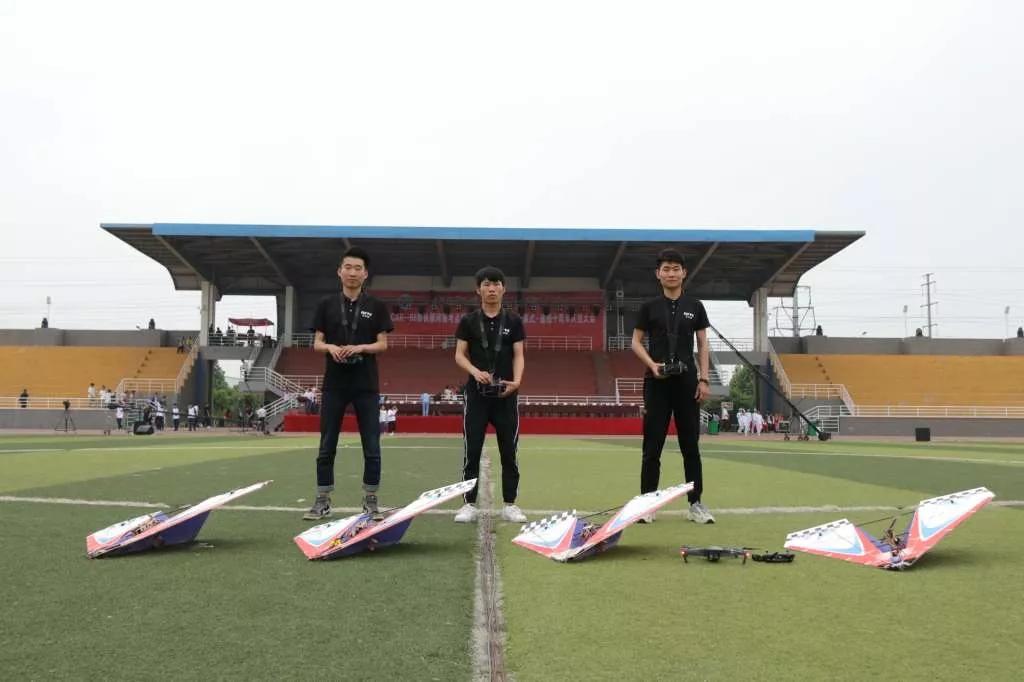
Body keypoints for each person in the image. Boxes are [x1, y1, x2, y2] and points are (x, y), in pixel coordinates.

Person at [303, 247, 394, 521]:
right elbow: (317, 343)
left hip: (366, 384)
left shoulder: (376, 306)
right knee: (327, 444)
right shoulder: (326, 305)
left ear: (365, 274)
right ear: (339, 271)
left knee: (372, 445)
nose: (352, 273)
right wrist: (331, 348)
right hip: (334, 384)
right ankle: (322, 500)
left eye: (358, 268)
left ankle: (371, 500)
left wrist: (360, 348)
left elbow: (383, 344)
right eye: (348, 267)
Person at [631, 248, 715, 524]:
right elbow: (635, 342)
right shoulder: (649, 307)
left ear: (684, 273)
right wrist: (652, 365)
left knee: (690, 446)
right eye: (666, 269)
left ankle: (696, 503)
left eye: (675, 269)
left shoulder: (695, 306)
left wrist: (704, 379)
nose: (671, 274)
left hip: (687, 383)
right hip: (656, 382)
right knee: (651, 447)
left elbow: (702, 344)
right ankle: (647, 505)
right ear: (658, 274)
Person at [452, 266, 528, 524]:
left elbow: (519, 355)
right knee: (471, 450)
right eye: (486, 284)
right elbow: (459, 355)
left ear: (504, 289)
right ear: (478, 290)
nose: (492, 289)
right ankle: (468, 504)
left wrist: (517, 382)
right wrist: (475, 372)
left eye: (496, 284)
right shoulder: (469, 321)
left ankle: (510, 504)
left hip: (506, 395)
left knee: (509, 452)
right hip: (477, 396)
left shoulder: (514, 321)